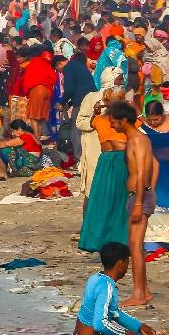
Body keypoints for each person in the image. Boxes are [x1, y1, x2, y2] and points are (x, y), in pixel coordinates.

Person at [114, 100, 157, 307]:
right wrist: (151, 190)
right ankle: (145, 291)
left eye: (114, 122)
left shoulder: (137, 140)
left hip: (138, 197)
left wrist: (140, 201)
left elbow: (141, 173)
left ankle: (139, 294)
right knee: (136, 246)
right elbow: (154, 164)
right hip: (141, 195)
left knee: (135, 246)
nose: (112, 125)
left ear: (124, 120)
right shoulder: (138, 138)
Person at [80, 90, 132, 253]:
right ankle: (120, 238)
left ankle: (98, 239)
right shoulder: (125, 121)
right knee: (121, 201)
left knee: (102, 200)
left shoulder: (99, 120)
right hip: (122, 160)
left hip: (105, 161)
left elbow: (92, 122)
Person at [74, 241, 155, 335]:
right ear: (120, 264)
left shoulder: (95, 278)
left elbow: (114, 312)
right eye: (127, 263)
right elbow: (100, 324)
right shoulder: (106, 287)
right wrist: (125, 333)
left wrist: (138, 326)